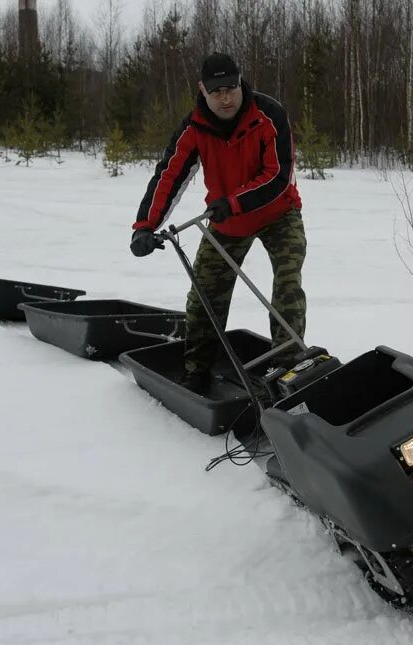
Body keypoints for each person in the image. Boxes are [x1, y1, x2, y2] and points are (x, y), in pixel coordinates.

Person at [129, 53, 307, 396]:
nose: (225, 98)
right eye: (216, 91)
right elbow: (169, 176)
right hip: (226, 221)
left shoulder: (269, 114)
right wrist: (144, 226)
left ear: (241, 83)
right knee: (204, 296)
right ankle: (197, 370)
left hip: (278, 214)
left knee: (288, 281)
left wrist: (235, 201)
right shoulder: (195, 127)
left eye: (231, 88)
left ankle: (289, 367)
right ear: (202, 90)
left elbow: (278, 175)